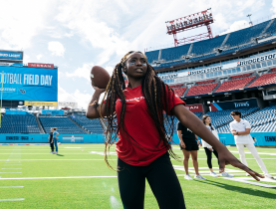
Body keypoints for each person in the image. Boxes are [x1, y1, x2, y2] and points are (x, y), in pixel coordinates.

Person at [86, 51, 263, 209]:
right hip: (127, 162)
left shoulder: (157, 89)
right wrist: (98, 92)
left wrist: (220, 147)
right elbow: (92, 112)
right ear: (124, 68)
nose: (140, 63)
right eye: (134, 60)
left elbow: (185, 116)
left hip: (157, 159)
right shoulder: (119, 95)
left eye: (143, 61)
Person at [230, 110, 274, 179]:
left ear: (238, 115)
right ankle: (247, 171)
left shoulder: (245, 122)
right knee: (242, 156)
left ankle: (266, 173)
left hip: (248, 141)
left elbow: (247, 132)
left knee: (256, 156)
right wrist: (241, 132)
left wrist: (237, 133)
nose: (233, 117)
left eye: (234, 115)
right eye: (232, 116)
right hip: (238, 141)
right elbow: (233, 133)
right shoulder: (232, 123)